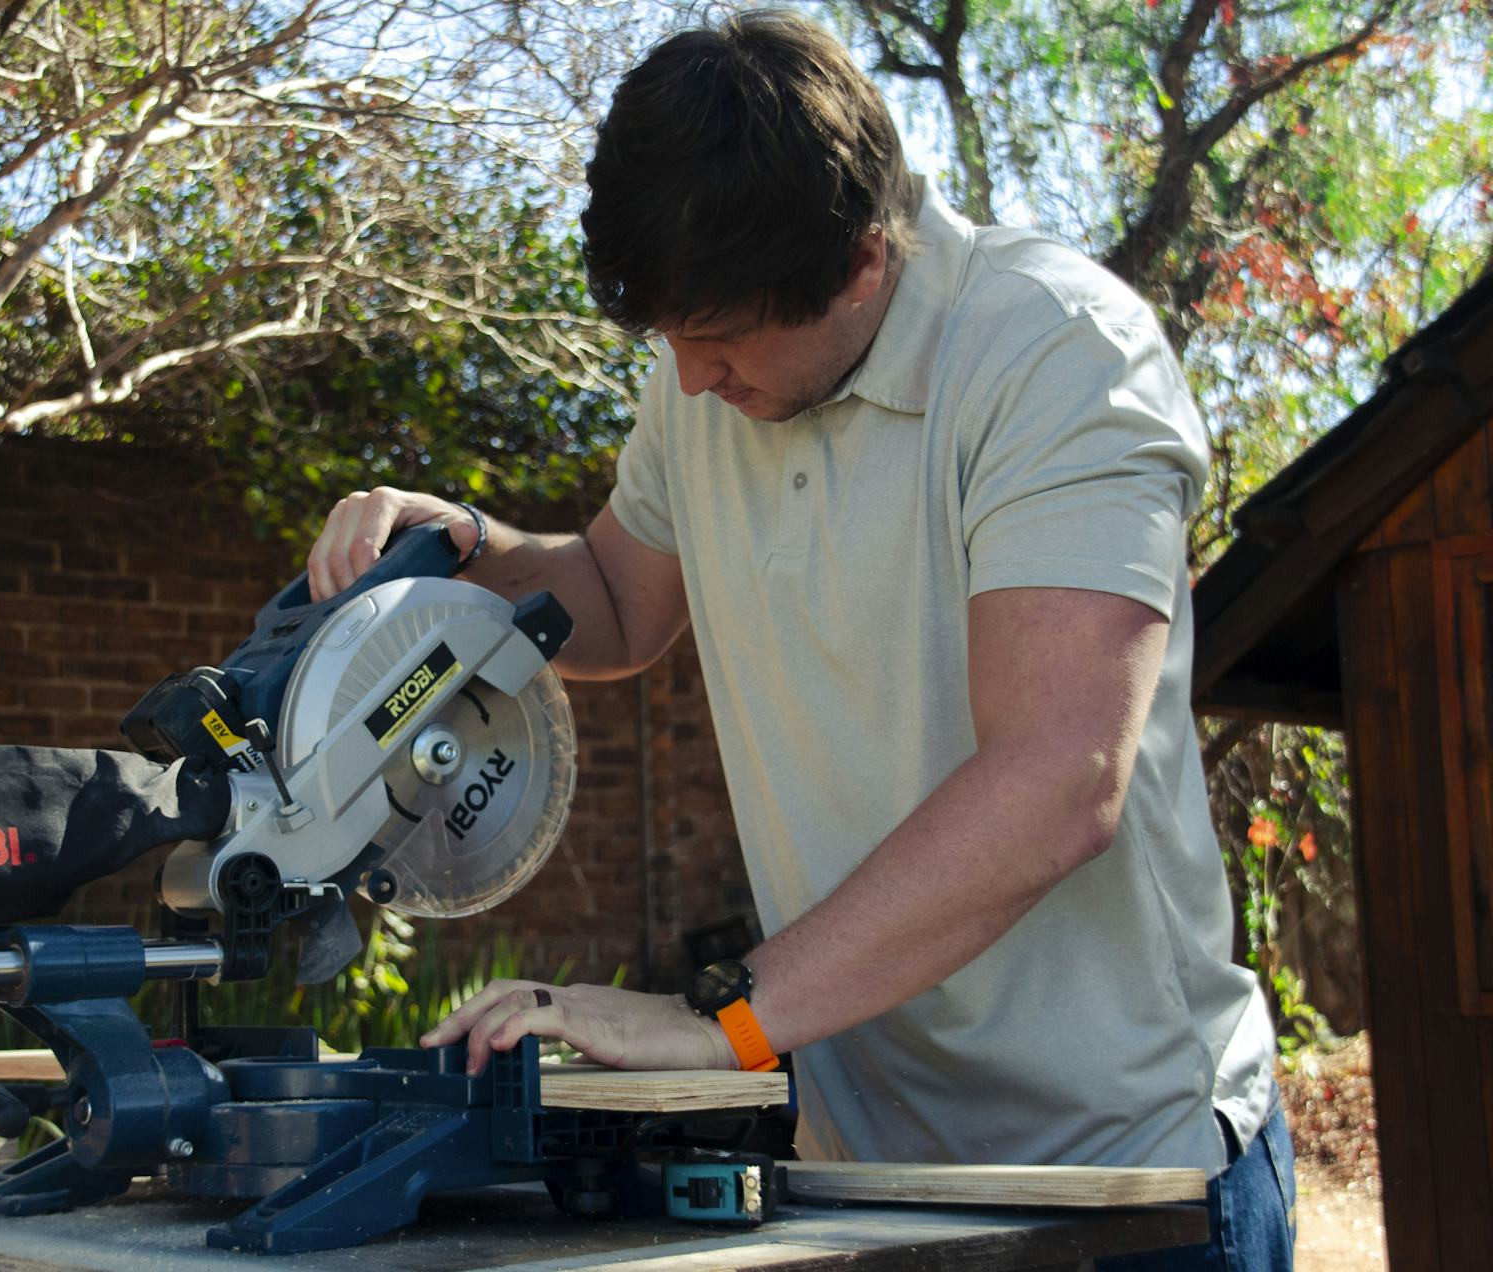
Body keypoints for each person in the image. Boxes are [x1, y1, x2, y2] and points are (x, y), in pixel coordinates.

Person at [305, 11, 1293, 1269]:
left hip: (1122, 1180)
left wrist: (722, 1021)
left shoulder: (1057, 356)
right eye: (669, 340)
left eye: (715, 340)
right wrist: (458, 547)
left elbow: (1059, 778)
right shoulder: (707, 375)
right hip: (865, 1176)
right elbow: (613, 600)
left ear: (864, 263)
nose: (690, 378)